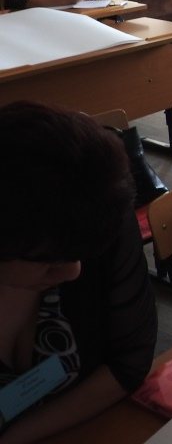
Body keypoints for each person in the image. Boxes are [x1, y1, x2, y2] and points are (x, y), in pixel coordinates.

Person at [0, 101, 157, 444]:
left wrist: (17, 436)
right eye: (50, 260)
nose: (74, 271)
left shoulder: (94, 219)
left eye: (81, 255)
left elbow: (128, 362)